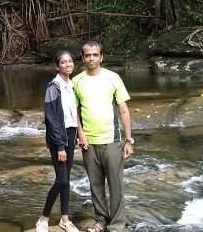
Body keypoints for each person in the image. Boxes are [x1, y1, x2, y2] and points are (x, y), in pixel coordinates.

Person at [72, 41, 133, 232]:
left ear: (101, 57)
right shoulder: (76, 81)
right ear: (82, 58)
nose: (91, 58)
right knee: (95, 184)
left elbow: (123, 109)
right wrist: (80, 135)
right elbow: (74, 112)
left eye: (95, 55)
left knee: (116, 185)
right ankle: (101, 221)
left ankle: (117, 225)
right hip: (88, 143)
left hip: (112, 140)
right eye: (87, 55)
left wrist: (129, 140)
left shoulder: (113, 78)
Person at [36, 51, 81, 232]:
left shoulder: (71, 84)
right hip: (58, 139)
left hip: (70, 134)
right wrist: (61, 145)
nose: (68, 64)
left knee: (66, 179)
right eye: (64, 62)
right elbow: (52, 119)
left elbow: (72, 114)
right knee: (62, 180)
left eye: (70, 61)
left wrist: (79, 134)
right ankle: (43, 217)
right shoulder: (53, 87)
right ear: (58, 66)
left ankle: (65, 219)